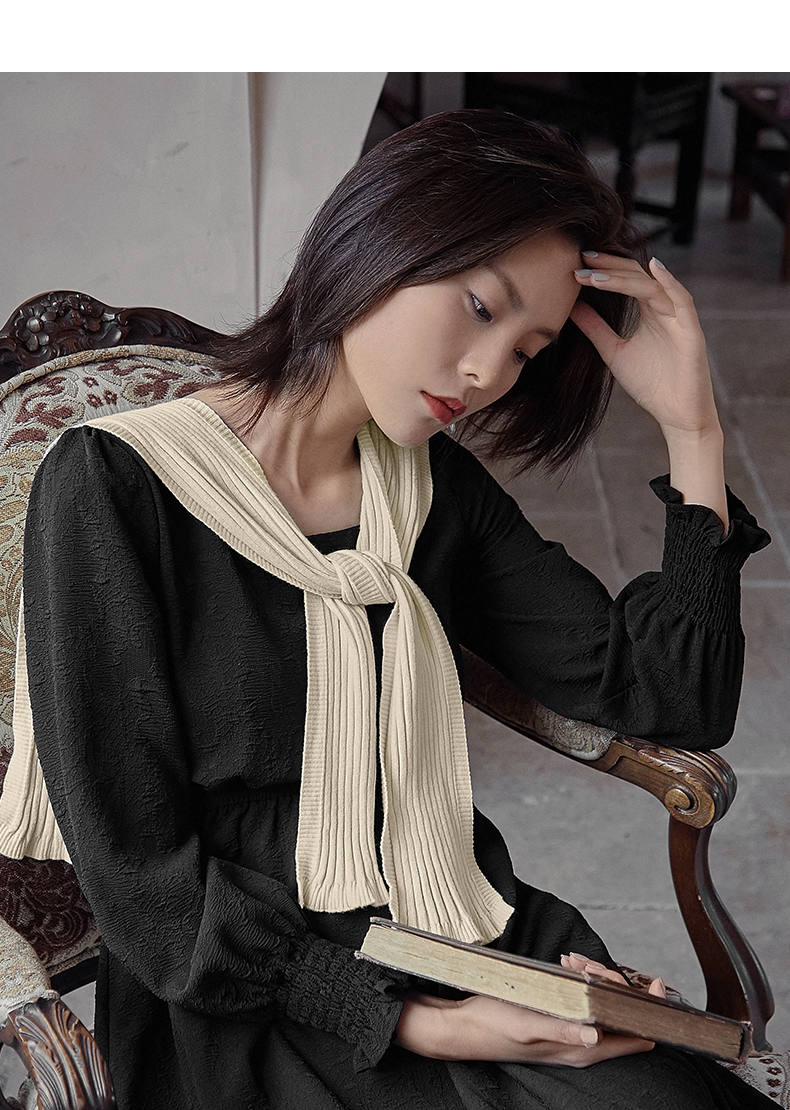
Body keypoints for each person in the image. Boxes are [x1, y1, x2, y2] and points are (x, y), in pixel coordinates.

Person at [22, 110, 772, 1108]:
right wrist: (429, 1023)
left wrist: (693, 431)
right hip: (245, 993)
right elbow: (141, 883)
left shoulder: (430, 490)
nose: (487, 372)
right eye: (479, 305)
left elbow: (669, 699)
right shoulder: (113, 488)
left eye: (527, 348)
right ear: (378, 242)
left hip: (447, 923)